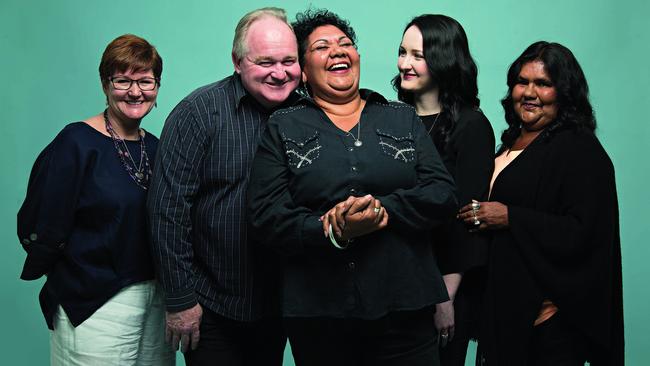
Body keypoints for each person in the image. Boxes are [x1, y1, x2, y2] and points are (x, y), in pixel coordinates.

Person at [247, 9, 457, 366]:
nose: (338, 51)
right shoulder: (283, 126)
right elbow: (266, 214)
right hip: (320, 313)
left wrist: (383, 211)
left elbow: (442, 192)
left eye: (345, 44)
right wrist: (332, 229)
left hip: (405, 309)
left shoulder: (400, 117)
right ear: (303, 68)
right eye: (322, 47)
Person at [147, 7, 300, 366]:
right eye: (265, 62)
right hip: (210, 306)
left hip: (280, 306)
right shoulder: (198, 112)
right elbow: (167, 210)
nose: (279, 73)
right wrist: (181, 299)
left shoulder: (308, 113)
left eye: (288, 60)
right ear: (237, 61)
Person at [458, 41, 624, 365]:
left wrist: (510, 218)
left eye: (543, 84)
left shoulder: (579, 149)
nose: (529, 92)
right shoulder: (509, 142)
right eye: (523, 82)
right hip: (501, 312)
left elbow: (586, 232)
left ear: (563, 92)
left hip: (546, 325)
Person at [17, 34, 173, 365]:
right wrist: (74, 279)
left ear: (157, 87)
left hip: (156, 301)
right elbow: (37, 222)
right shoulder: (76, 143)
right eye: (123, 81)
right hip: (95, 301)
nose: (135, 92)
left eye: (145, 81)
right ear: (105, 84)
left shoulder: (158, 148)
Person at [393, 14, 494, 365]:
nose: (405, 64)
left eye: (417, 55)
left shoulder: (472, 126)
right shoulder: (390, 118)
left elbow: (466, 222)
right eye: (403, 52)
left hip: (445, 286)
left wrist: (445, 298)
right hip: (395, 284)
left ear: (444, 59)